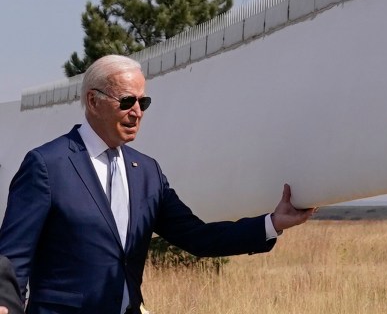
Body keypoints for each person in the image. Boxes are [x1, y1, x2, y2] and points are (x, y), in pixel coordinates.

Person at [0, 55, 314, 314]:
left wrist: (272, 224)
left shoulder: (146, 172)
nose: (136, 112)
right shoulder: (46, 165)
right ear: (92, 101)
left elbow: (198, 237)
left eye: (143, 101)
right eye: (126, 101)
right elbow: (13, 258)